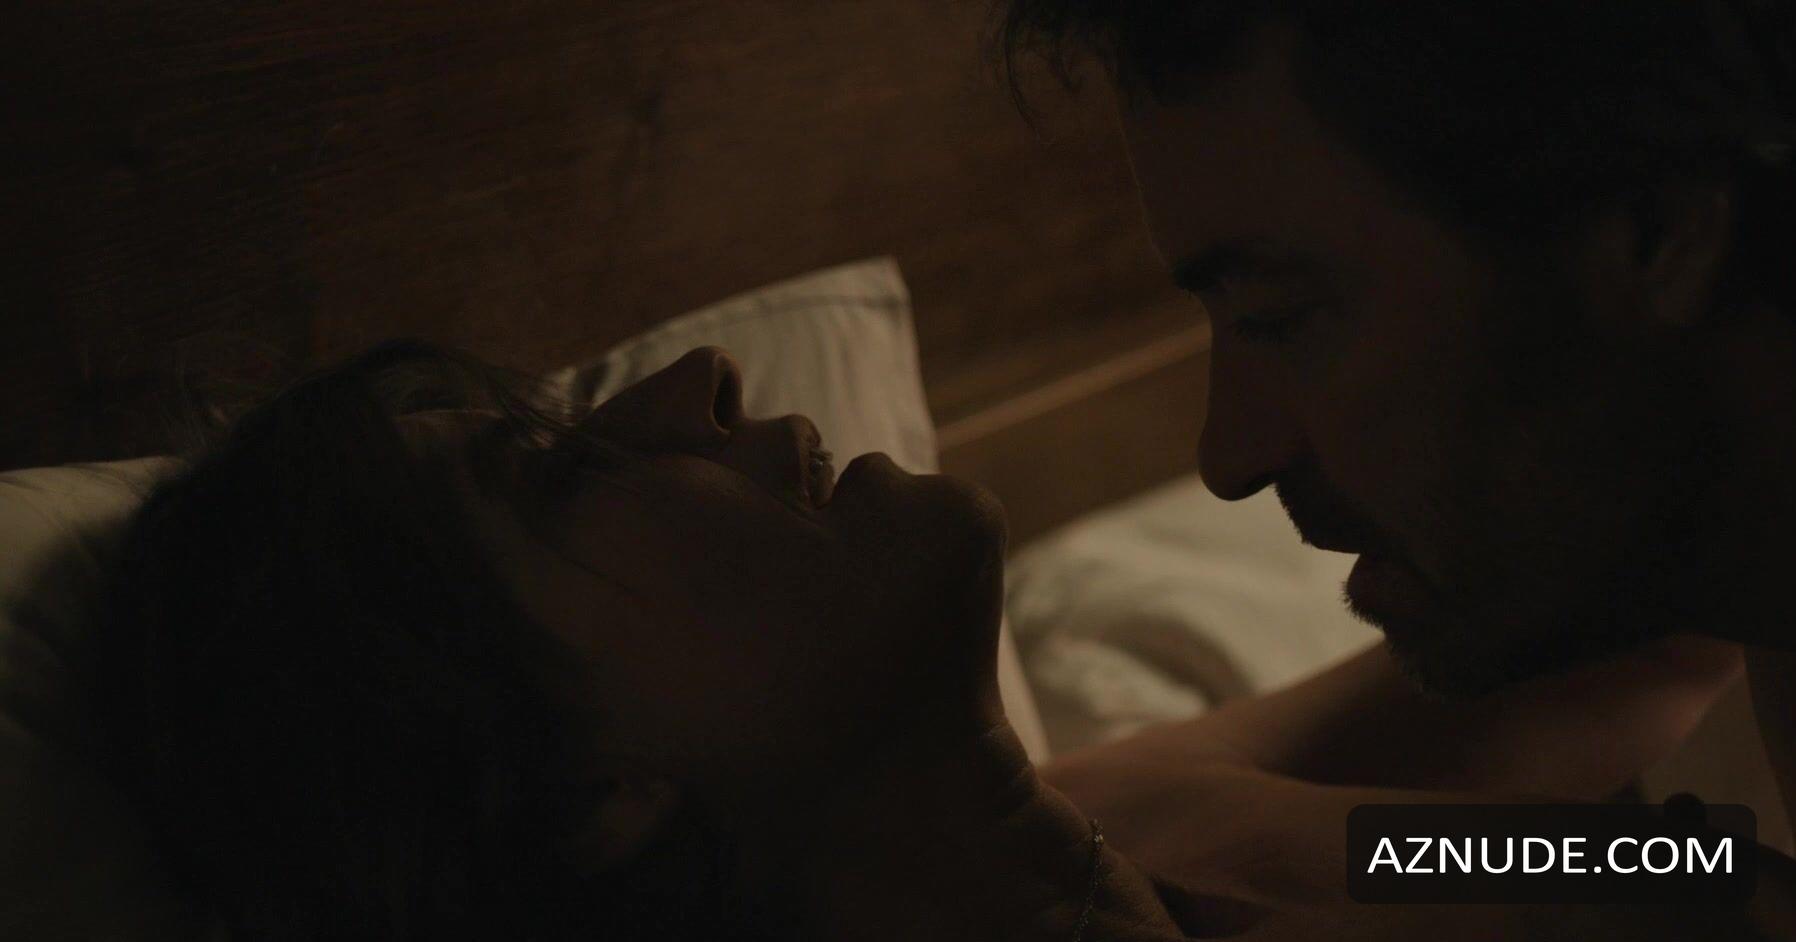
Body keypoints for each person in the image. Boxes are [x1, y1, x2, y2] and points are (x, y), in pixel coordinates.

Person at [88, 341, 1781, 940]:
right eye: (563, 472)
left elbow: (1637, 825)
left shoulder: (1142, 821)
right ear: (586, 790)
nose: (694, 383)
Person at [994, 0, 1796, 930]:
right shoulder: (1700, 591)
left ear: (1658, 230)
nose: (1230, 456)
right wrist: (1633, 880)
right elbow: (1104, 809)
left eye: (1280, 317)